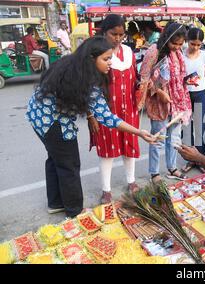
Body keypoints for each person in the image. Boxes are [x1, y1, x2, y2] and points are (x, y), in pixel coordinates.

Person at [25, 37, 156, 218]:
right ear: (91, 58)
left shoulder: (70, 63)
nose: (110, 62)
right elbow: (107, 117)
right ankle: (74, 211)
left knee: (55, 159)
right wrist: (139, 132)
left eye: (111, 58)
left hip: (36, 114)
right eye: (106, 59)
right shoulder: (88, 82)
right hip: (52, 122)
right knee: (69, 164)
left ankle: (55, 203)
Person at [88, 14, 141, 204]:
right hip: (106, 110)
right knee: (107, 150)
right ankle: (106, 190)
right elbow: (88, 86)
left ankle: (131, 181)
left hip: (129, 108)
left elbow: (135, 79)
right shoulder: (98, 53)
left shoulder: (129, 52)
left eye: (121, 34)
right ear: (105, 32)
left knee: (129, 146)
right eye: (113, 34)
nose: (117, 38)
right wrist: (90, 115)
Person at [139, 22, 191, 184]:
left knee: (174, 138)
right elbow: (144, 77)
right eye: (174, 43)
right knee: (159, 138)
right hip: (159, 103)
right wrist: (159, 92)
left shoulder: (179, 53)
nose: (176, 47)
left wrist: (190, 80)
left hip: (177, 102)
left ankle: (172, 167)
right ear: (166, 38)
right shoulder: (153, 51)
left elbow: (179, 76)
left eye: (180, 44)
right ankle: (154, 173)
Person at [182, 28, 205, 173]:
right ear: (187, 41)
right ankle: (190, 160)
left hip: (200, 94)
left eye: (198, 45)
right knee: (187, 127)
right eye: (192, 44)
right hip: (185, 96)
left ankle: (200, 159)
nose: (195, 47)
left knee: (200, 127)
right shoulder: (181, 54)